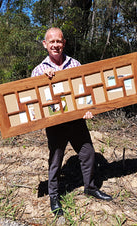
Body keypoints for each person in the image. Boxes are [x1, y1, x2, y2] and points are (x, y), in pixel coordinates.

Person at [31, 27, 112, 216]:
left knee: (88, 153)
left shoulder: (75, 63)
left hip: (76, 121)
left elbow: (85, 90)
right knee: (56, 160)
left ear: (64, 43)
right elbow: (34, 101)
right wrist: (44, 82)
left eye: (59, 41)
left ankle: (90, 187)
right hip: (56, 125)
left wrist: (89, 110)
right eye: (52, 42)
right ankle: (54, 196)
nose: (55, 45)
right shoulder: (39, 70)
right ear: (45, 44)